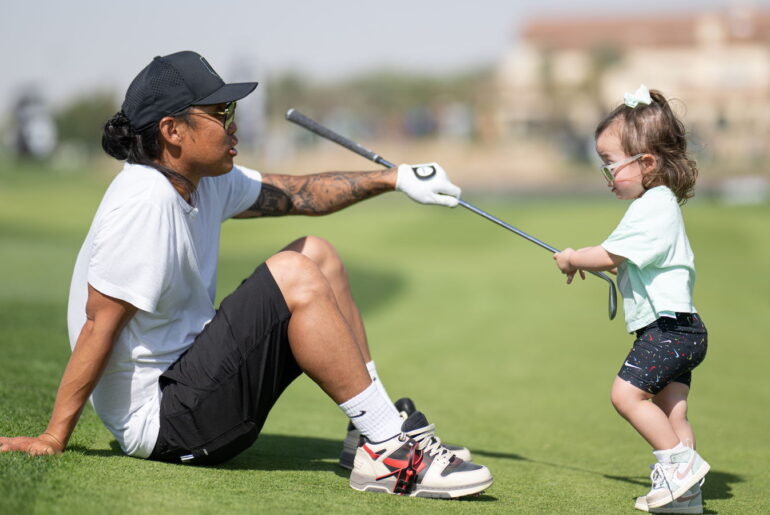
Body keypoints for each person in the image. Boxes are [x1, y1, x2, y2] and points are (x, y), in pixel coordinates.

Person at [0, 50, 492, 499]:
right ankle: (390, 454)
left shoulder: (201, 181)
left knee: (315, 254)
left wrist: (394, 178)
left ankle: (372, 432)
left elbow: (297, 194)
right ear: (172, 131)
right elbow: (97, 324)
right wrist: (52, 435)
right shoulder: (145, 201)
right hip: (166, 423)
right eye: (220, 114)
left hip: (192, 383)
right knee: (294, 273)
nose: (233, 125)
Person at [552, 85, 709, 513]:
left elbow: (608, 254)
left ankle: (679, 468)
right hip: (682, 331)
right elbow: (623, 261)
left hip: (667, 331)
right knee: (672, 414)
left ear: (647, 162)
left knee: (626, 397)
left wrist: (571, 258)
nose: (605, 176)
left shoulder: (652, 206)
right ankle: (686, 496)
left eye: (609, 164)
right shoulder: (657, 205)